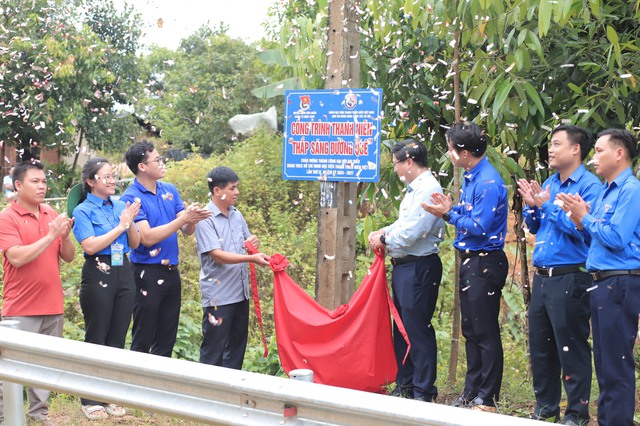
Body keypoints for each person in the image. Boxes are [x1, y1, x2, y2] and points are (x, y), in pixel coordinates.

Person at [422, 121, 508, 412]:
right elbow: (470, 214)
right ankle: (472, 392)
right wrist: (452, 208)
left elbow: (481, 227)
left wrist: (448, 215)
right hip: (472, 262)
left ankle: (489, 396)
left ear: (464, 151)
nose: (448, 154)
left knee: (485, 331)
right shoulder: (473, 176)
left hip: (485, 262)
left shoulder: (487, 181)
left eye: (450, 148)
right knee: (471, 330)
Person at [517, 125, 600, 425]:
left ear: (576, 149)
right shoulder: (550, 182)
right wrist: (532, 208)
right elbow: (538, 227)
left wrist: (547, 205)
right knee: (540, 346)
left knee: (572, 346)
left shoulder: (590, 187)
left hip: (571, 276)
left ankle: (577, 413)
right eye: (550, 144)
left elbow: (583, 233)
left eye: (556, 144)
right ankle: (545, 408)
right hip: (543, 276)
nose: (550, 149)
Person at [557, 128, 640, 426]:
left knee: (616, 363)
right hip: (602, 282)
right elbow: (599, 242)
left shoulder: (631, 189)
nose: (594, 158)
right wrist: (582, 222)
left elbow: (617, 238)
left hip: (620, 282)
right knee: (604, 364)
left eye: (600, 151)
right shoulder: (607, 191)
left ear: (620, 153)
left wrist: (585, 217)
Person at [368, 139, 444, 403]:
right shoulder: (414, 190)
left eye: (397, 164)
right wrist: (384, 232)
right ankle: (406, 383)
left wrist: (386, 240)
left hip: (419, 266)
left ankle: (424, 389)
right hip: (404, 266)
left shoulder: (429, 188)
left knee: (416, 327)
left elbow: (414, 232)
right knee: (401, 328)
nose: (396, 169)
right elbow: (404, 223)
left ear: (409, 162)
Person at [119, 140, 211, 357]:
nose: (162, 164)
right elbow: (147, 238)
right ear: (142, 166)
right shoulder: (132, 197)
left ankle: (160, 388)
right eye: (157, 160)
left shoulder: (169, 190)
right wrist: (183, 220)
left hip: (171, 271)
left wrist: (193, 217)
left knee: (167, 336)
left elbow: (186, 229)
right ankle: (137, 386)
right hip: (146, 272)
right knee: (144, 335)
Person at [0, 162, 75, 424]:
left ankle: (39, 415)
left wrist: (64, 236)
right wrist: (50, 235)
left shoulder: (51, 212)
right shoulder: (7, 217)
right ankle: (3, 416)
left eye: (44, 181)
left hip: (52, 304)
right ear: (18, 185)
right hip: (21, 307)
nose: (42, 186)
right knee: (10, 367)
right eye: (35, 181)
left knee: (44, 365)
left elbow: (68, 257)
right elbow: (17, 257)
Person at [71, 158, 141, 420]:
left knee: (117, 335)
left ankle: (110, 394)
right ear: (91, 181)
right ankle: (90, 398)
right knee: (97, 334)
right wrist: (120, 225)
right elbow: (90, 246)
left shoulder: (121, 205)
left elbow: (134, 243)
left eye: (114, 176)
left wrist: (130, 220)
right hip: (98, 269)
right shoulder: (83, 211)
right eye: (107, 177)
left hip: (124, 269)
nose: (113, 181)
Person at [195, 166, 270, 368]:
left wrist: (253, 244)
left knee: (237, 348)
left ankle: (230, 395)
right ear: (217, 191)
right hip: (218, 296)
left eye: (237, 187)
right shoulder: (204, 218)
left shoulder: (237, 215)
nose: (237, 192)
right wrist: (252, 258)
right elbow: (217, 255)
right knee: (214, 351)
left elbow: (247, 243)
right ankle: (208, 395)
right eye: (233, 188)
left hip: (240, 293)